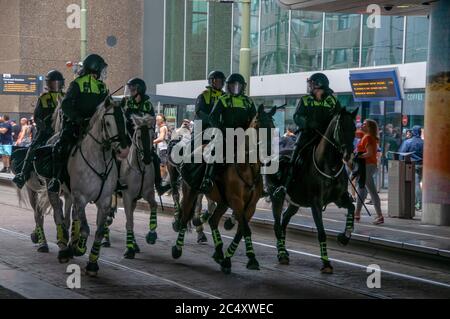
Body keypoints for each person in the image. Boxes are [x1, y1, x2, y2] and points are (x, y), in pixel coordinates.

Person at [274, 73, 342, 199]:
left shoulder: (332, 100)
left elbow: (339, 117)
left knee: (340, 155)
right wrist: (309, 123)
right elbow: (297, 116)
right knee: (295, 154)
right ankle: (284, 185)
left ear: (318, 85)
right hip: (307, 134)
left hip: (326, 137)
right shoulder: (305, 100)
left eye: (311, 84)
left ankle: (342, 188)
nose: (309, 86)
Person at [47, 54, 109, 193]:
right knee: (60, 147)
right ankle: (56, 179)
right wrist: (78, 119)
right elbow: (66, 105)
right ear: (95, 68)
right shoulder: (77, 83)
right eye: (101, 69)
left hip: (96, 127)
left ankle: (115, 181)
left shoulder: (102, 86)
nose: (103, 72)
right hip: (76, 125)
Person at [204, 73, 257, 194]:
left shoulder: (248, 101)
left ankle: (260, 183)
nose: (236, 88)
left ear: (243, 87)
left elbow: (254, 118)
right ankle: (208, 179)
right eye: (233, 86)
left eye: (238, 86)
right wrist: (222, 129)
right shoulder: (223, 100)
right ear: (228, 87)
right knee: (214, 151)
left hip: (244, 136)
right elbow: (213, 118)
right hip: (225, 134)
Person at [13, 70, 66, 189]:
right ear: (48, 84)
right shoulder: (43, 98)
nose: (55, 85)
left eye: (57, 82)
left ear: (62, 84)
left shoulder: (65, 97)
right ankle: (22, 174)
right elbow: (37, 116)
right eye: (53, 83)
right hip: (46, 132)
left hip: (63, 131)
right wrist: (44, 127)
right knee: (33, 147)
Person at [121, 78, 170, 196]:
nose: (130, 91)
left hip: (141, 137)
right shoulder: (127, 101)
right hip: (127, 135)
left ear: (139, 89)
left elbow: (149, 122)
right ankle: (117, 183)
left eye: (132, 88)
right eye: (129, 88)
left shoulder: (146, 104)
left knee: (155, 158)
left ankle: (159, 187)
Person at [355, 119, 384, 225]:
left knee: (371, 191)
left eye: (364, 124)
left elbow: (369, 153)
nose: (362, 125)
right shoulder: (366, 136)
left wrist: (358, 156)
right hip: (367, 166)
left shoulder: (367, 137)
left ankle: (380, 215)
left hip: (367, 166)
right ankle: (357, 213)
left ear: (369, 127)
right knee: (361, 189)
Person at [399, 125, 424, 210]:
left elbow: (402, 154)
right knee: (419, 184)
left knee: (415, 185)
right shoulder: (424, 142)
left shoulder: (408, 142)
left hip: (411, 165)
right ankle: (416, 203)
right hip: (422, 165)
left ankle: (419, 204)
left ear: (413, 132)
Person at [154, 114, 170, 190]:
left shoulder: (162, 128)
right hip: (164, 149)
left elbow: (161, 138)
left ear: (162, 120)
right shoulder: (163, 127)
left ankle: (163, 183)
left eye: (158, 120)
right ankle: (164, 182)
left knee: (163, 167)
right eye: (156, 119)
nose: (156, 121)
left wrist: (152, 142)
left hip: (164, 149)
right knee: (164, 167)